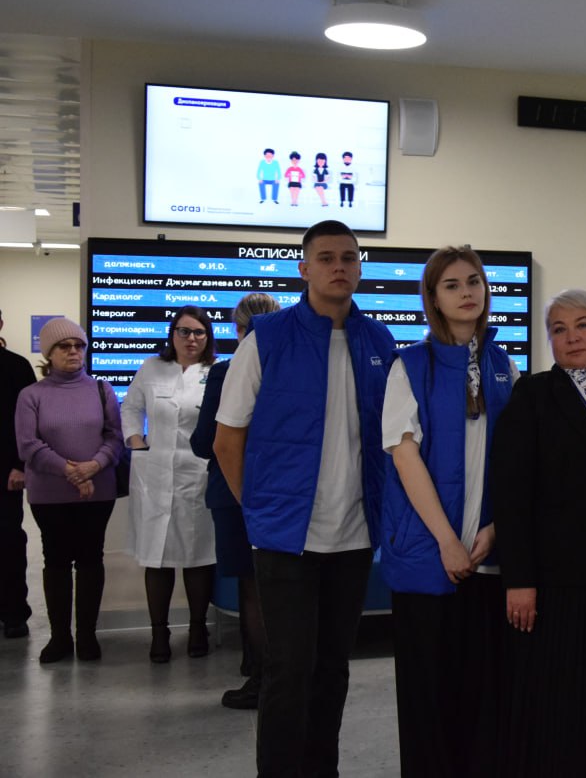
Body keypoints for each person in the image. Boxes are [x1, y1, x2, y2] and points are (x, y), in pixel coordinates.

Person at [213, 219, 394, 777]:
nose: (339, 267)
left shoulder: (379, 342)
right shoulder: (267, 339)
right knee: (288, 671)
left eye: (349, 257)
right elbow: (227, 440)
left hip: (354, 537)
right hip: (286, 538)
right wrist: (258, 512)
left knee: (333, 669)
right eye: (326, 258)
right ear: (304, 268)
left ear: (359, 266)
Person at [492, 289, 586, 778]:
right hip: (560, 575)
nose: (572, 337)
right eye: (559, 329)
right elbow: (511, 493)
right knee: (563, 696)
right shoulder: (534, 395)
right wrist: (519, 579)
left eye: (582, 325)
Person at [380, 246, 517, 777]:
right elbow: (404, 455)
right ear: (434, 298)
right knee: (429, 702)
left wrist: (496, 528)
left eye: (474, 282)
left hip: (488, 556)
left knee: (484, 700)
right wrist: (446, 541)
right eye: (453, 285)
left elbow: (515, 461)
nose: (467, 293)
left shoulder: (504, 367)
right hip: (428, 554)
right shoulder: (410, 366)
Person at [14, 317, 124, 662]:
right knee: (57, 560)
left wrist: (93, 466)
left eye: (79, 345)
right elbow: (28, 445)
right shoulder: (31, 395)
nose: (73, 351)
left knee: (91, 559)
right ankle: (60, 638)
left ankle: (87, 636)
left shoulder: (101, 389)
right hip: (50, 494)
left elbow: (115, 438)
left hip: (98, 491)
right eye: (64, 346)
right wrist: (72, 471)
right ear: (49, 353)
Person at [190, 292, 280, 710]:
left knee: (251, 587)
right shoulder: (288, 368)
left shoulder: (226, 371)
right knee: (280, 586)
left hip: (233, 492)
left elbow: (204, 442)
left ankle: (259, 678)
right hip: (283, 491)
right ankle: (271, 674)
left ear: (237, 328)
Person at [122, 305, 217, 663]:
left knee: (198, 556)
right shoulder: (151, 368)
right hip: (156, 474)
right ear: (172, 334)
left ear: (207, 337)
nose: (191, 338)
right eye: (184, 331)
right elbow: (130, 407)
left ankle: (198, 628)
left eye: (198, 332)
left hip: (199, 473)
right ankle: (159, 633)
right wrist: (136, 441)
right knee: (157, 557)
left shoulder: (216, 372)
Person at [0, 308, 37, 639]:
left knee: (8, 542)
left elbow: (28, 424)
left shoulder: (16, 366)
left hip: (6, 474)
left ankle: (13, 613)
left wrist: (20, 465)